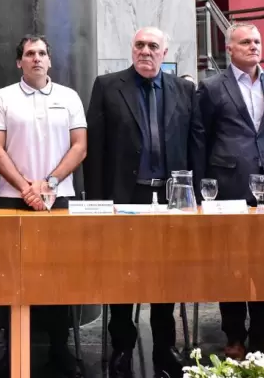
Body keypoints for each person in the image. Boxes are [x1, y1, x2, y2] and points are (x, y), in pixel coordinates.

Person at [86, 27, 201, 378]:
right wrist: (98, 201)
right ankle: (122, 345)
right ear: (131, 49)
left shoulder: (184, 89)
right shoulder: (108, 86)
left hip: (172, 196)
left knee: (167, 271)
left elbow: (195, 143)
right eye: (139, 45)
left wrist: (196, 195)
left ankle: (164, 346)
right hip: (125, 196)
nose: (145, 51)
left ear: (164, 52)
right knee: (122, 271)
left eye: (153, 46)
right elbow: (95, 149)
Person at [0, 35, 86, 378]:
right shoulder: (2, 98)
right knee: (10, 275)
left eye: (42, 53)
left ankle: (60, 348)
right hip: (13, 199)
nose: (36, 58)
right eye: (29, 54)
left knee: (59, 274)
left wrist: (50, 183)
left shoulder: (69, 97)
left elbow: (79, 146)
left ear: (50, 60)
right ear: (19, 62)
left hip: (60, 198)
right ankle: (11, 348)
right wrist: (27, 188)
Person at [193, 23, 264, 359]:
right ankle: (234, 334)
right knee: (230, 262)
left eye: (257, 41)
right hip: (228, 184)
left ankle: (261, 333)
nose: (253, 46)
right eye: (245, 41)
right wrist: (201, 187)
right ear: (229, 48)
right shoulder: (211, 87)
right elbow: (202, 137)